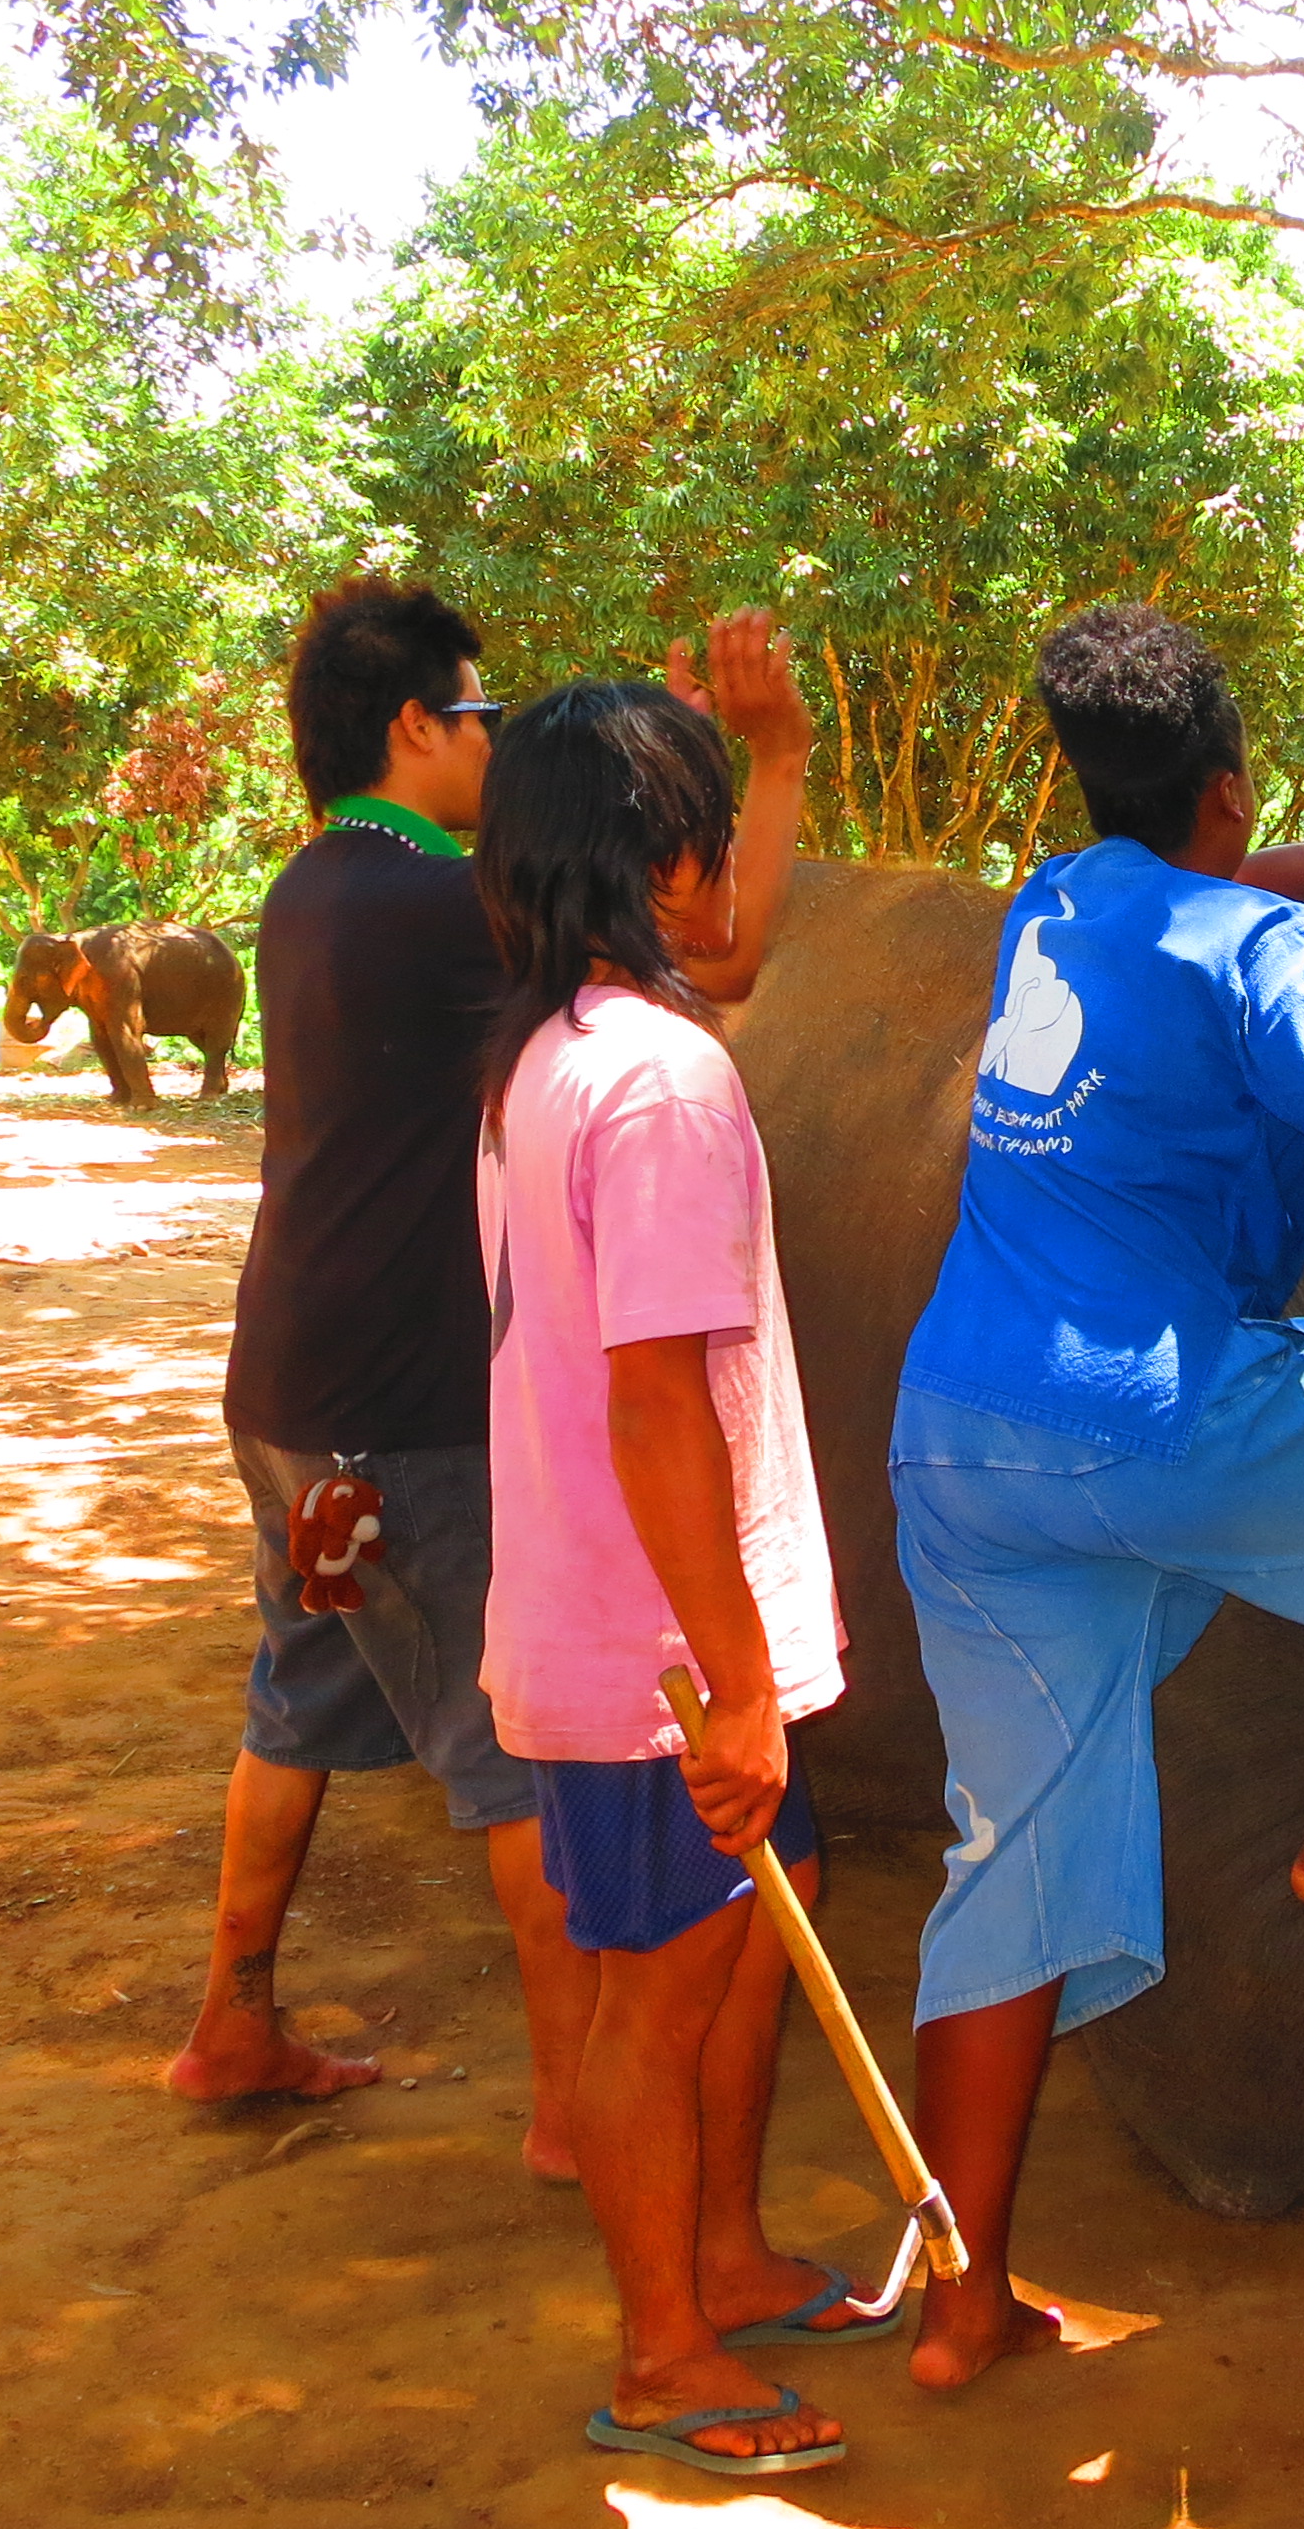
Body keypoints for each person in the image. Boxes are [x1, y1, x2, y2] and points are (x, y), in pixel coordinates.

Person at [885, 599, 1304, 2394]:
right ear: (1232, 786)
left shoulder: (1055, 901)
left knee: (1004, 1860)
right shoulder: (1259, 945)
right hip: (1141, 1415)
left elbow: (1204, 893)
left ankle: (961, 2303)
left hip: (961, 1439)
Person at [170, 577, 813, 2175]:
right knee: (516, 1764)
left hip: (289, 1386)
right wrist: (751, 765)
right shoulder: (437, 905)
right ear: (414, 727)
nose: (494, 749)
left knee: (298, 1701)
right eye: (483, 716)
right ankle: (576, 2113)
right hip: (408, 1407)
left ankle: (232, 2015)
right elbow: (720, 953)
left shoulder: (311, 887)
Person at [476, 680, 858, 2482]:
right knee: (661, 1983)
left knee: (744, 1937)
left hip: (621, 1617)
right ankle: (662, 2356)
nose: (726, 874)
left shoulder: (552, 1058)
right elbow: (654, 1399)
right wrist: (740, 1681)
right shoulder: (662, 1080)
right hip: (664, 1651)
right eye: (713, 830)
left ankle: (722, 2258)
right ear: (667, 859)